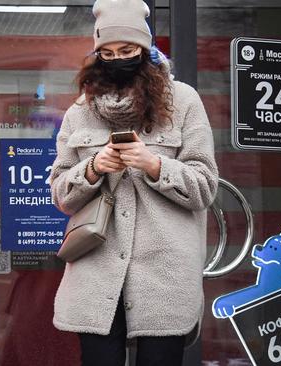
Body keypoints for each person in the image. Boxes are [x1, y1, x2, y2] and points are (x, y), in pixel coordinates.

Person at [48, 0, 219, 365]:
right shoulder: (79, 112)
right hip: (97, 271)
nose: (117, 59)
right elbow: (61, 194)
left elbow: (205, 186)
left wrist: (154, 165)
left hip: (164, 274)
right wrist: (93, 168)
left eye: (127, 50)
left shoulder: (184, 102)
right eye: (107, 53)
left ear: (145, 49)